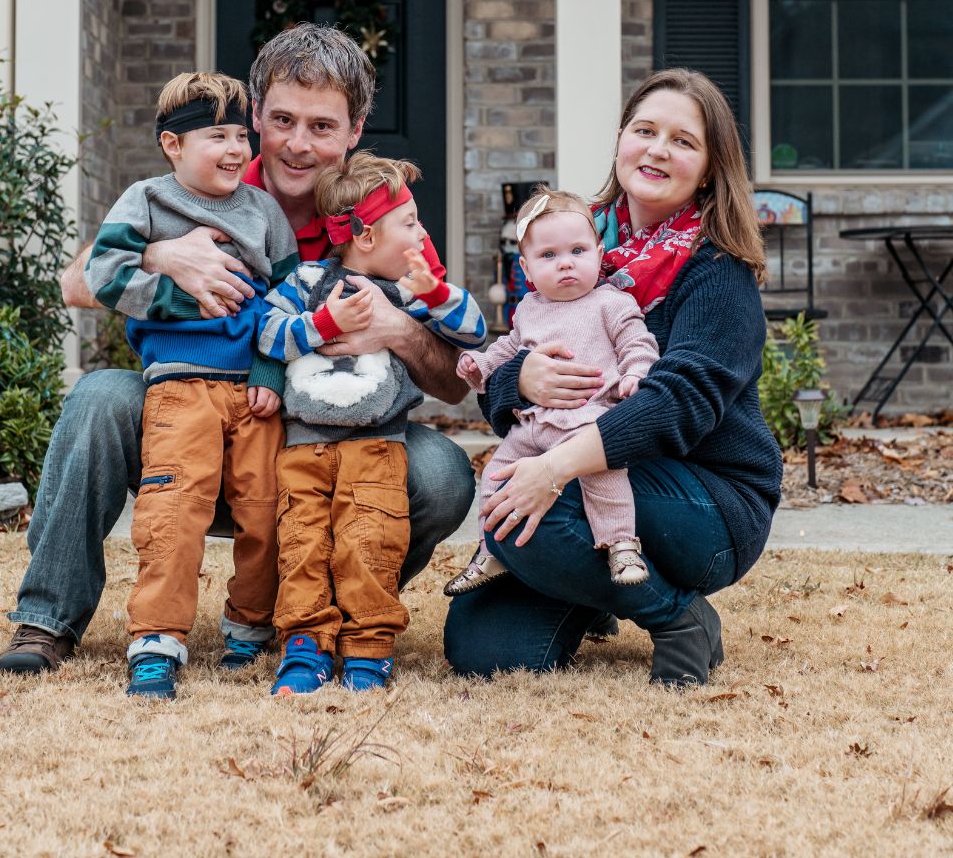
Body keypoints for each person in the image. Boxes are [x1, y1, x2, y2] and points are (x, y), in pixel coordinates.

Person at [0, 24, 475, 675]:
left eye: (322, 127)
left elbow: (453, 383)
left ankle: (315, 613)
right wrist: (162, 253)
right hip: (190, 415)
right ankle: (47, 619)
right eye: (281, 120)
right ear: (255, 115)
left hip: (318, 443)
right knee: (99, 396)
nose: (298, 145)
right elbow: (75, 282)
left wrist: (396, 329)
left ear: (356, 129)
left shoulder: (381, 219)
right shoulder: (202, 179)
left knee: (441, 469)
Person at [443, 68, 782, 688]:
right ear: (621, 140)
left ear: (709, 168)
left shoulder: (717, 271)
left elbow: (679, 403)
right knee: (483, 650)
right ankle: (594, 584)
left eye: (684, 141)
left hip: (707, 499)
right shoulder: (571, 239)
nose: (658, 149)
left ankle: (678, 616)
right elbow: (511, 356)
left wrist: (553, 468)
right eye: (644, 130)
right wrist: (520, 379)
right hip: (588, 472)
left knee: (527, 500)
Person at [83, 71, 298, 699]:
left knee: (268, 511)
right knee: (172, 510)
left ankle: (249, 627)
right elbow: (103, 275)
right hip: (181, 389)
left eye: (240, 135)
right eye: (215, 136)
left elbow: (290, 297)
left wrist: (272, 368)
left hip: (256, 395)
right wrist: (179, 292)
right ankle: (157, 640)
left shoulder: (263, 212)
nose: (235, 150)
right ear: (173, 145)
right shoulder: (148, 201)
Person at [257, 152, 486, 694]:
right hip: (303, 448)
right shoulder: (309, 282)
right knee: (303, 544)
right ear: (363, 236)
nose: (421, 231)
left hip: (377, 447)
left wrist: (434, 292)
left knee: (371, 543)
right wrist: (321, 325)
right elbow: (265, 333)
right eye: (409, 222)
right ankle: (304, 645)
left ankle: (369, 646)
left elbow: (474, 334)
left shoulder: (409, 293)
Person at [445, 187, 658, 597]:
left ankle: (621, 544)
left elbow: (638, 342)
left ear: (599, 252)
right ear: (526, 268)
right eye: (549, 256)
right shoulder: (528, 308)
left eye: (578, 251)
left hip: (588, 422)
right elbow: (508, 349)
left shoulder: (610, 303)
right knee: (493, 474)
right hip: (533, 424)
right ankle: (489, 550)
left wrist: (636, 374)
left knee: (605, 476)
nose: (566, 264)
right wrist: (482, 365)